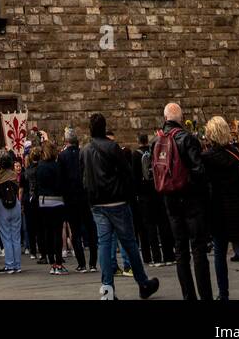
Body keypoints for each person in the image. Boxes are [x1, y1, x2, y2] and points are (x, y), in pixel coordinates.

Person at [80, 113, 159, 300]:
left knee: (104, 245)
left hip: (97, 204)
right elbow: (127, 174)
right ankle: (143, 283)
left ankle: (107, 289)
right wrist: (130, 197)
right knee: (130, 244)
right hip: (117, 202)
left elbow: (82, 177)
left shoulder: (85, 150)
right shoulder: (112, 147)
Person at [154, 101, 212, 302]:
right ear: (181, 118)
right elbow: (199, 170)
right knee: (198, 249)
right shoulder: (187, 138)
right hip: (190, 200)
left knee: (180, 249)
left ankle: (188, 296)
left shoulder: (157, 141)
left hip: (170, 201)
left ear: (165, 118)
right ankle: (206, 296)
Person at [202, 116, 239, 301]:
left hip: (219, 210)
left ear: (210, 134)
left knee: (219, 254)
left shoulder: (207, 158)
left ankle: (223, 294)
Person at [58, 127, 97, 272]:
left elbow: (61, 179)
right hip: (85, 196)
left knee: (75, 231)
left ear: (67, 140)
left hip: (71, 199)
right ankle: (93, 263)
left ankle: (82, 263)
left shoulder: (62, 157)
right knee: (90, 229)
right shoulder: (83, 153)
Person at [134, 132, 174, 267]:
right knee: (163, 225)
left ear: (138, 140)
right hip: (158, 192)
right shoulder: (155, 153)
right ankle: (169, 255)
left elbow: (135, 178)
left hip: (145, 197)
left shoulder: (136, 155)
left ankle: (155, 258)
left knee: (150, 227)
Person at [36, 140, 68, 275]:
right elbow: (60, 184)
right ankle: (58, 262)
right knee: (57, 232)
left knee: (47, 232)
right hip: (56, 200)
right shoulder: (56, 166)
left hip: (43, 201)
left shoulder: (40, 166)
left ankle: (51, 261)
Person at [0, 149, 23, 274]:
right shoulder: (14, 174)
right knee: (16, 236)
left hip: (1, 204)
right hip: (15, 203)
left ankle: (9, 264)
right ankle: (17, 264)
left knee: (5, 235)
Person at [23, 146, 41, 261]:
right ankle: (42, 249)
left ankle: (33, 250)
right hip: (39, 198)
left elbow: (23, 187)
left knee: (30, 227)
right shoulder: (41, 168)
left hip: (29, 199)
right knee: (40, 226)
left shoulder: (27, 171)